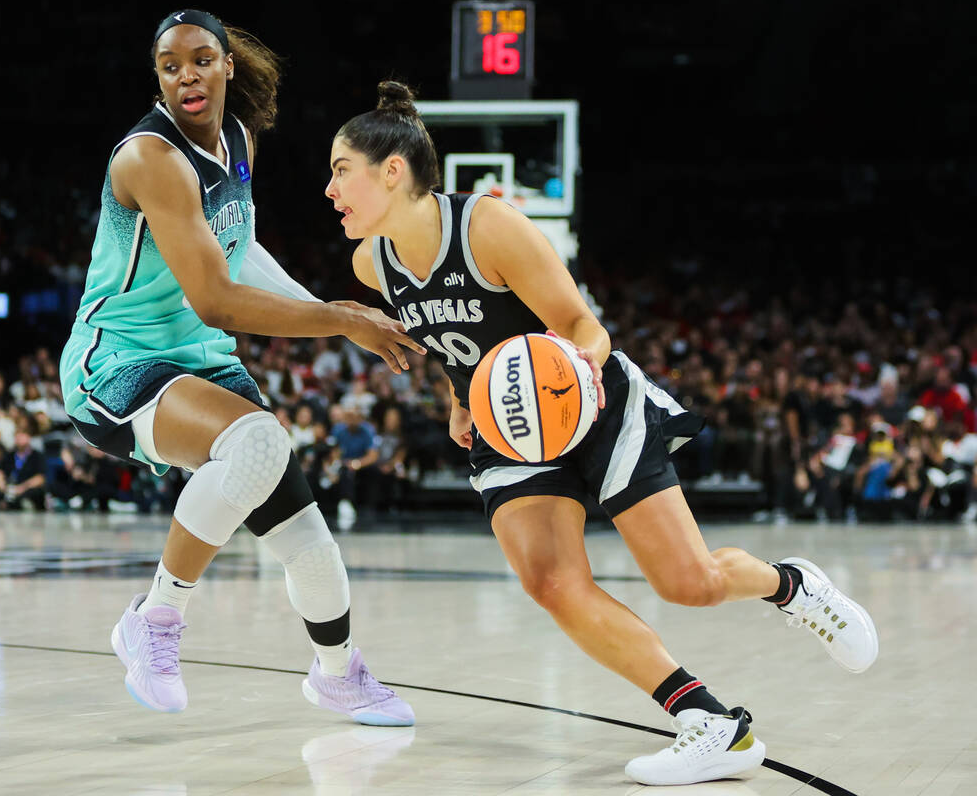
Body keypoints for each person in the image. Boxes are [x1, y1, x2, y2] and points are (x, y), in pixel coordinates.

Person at [325, 81, 880, 786]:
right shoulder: (371, 263)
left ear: (392, 171)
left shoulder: (489, 226)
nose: (329, 187)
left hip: (587, 402)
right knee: (551, 582)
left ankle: (793, 586)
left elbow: (585, 326)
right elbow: (449, 343)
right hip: (508, 430)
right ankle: (711, 724)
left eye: (341, 168)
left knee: (690, 583)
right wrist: (459, 397)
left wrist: (570, 375)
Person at [58, 11, 423, 724]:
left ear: (227, 66)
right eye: (169, 65)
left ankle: (338, 674)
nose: (185, 74)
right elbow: (217, 298)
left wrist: (328, 313)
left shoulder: (238, 140)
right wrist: (341, 318)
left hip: (199, 360)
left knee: (306, 537)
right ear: (158, 78)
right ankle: (154, 622)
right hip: (118, 363)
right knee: (257, 440)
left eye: (200, 59)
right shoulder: (149, 159)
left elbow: (239, 252)